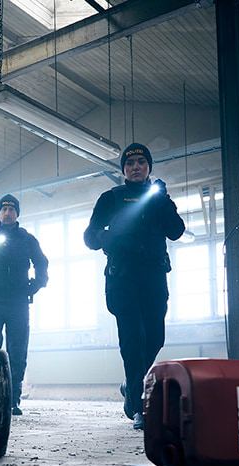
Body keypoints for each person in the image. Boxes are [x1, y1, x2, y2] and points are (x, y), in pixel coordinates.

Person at [83, 143, 185, 430]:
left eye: (141, 162)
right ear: (123, 170)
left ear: (149, 167)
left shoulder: (160, 198)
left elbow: (176, 231)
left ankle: (131, 386)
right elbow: (90, 238)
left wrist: (163, 201)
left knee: (155, 338)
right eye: (130, 164)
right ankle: (138, 407)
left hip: (153, 276)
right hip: (122, 277)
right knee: (132, 340)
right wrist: (110, 238)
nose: (135, 167)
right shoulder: (111, 199)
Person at [0, 194, 48, 416]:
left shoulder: (27, 239)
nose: (7, 213)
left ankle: (13, 400)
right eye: (4, 209)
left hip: (17, 303)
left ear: (17, 214)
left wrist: (36, 285)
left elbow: (42, 263)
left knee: (17, 352)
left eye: (12, 210)